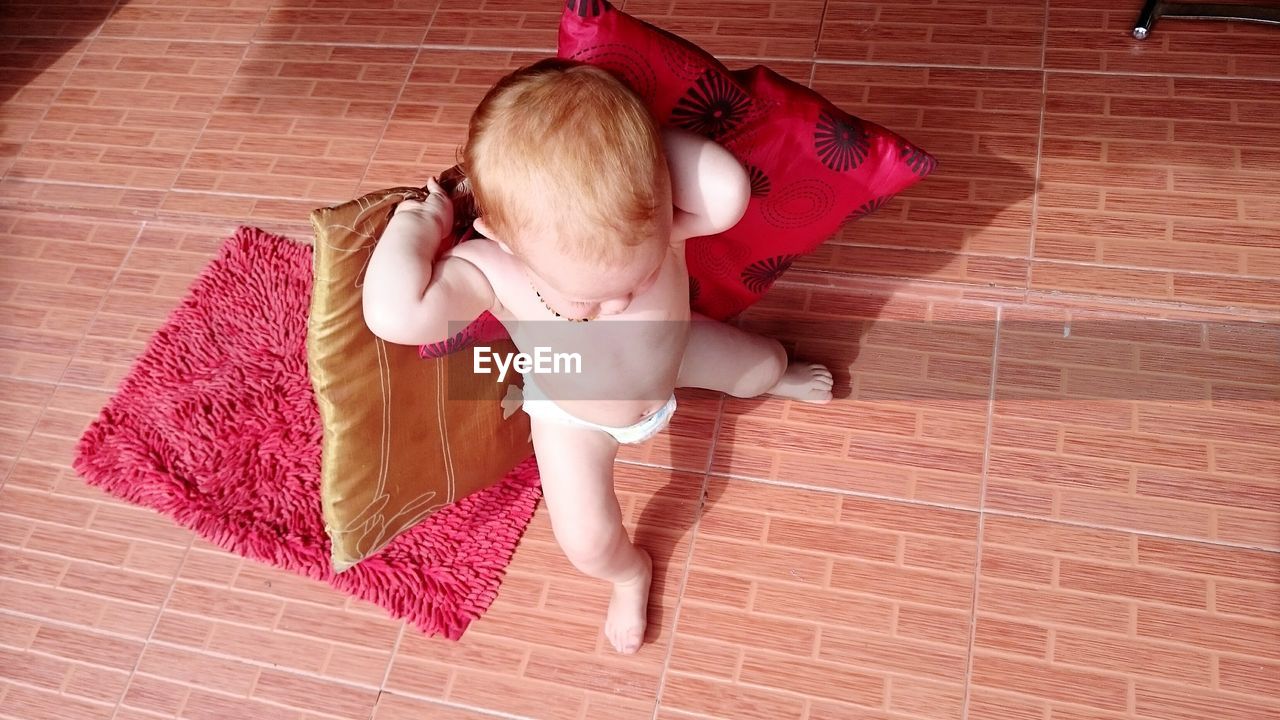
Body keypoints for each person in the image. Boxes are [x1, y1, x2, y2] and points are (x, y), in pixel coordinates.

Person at [363, 58, 832, 654]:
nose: (613, 304)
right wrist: (416, 226)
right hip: (572, 411)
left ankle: (776, 376)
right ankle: (629, 573)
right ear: (502, 237)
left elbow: (727, 189)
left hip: (673, 356)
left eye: (635, 280)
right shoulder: (492, 269)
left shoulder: (647, 216)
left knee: (763, 367)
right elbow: (396, 315)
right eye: (587, 296)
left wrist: (633, 159)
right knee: (586, 540)